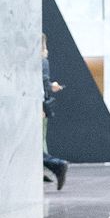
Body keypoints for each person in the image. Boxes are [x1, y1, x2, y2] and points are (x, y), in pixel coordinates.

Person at [41, 35, 68, 188]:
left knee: (38, 142)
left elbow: (42, 84)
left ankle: (55, 165)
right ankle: (48, 168)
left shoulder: (41, 62)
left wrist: (41, 105)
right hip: (39, 106)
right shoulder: (42, 61)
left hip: (38, 107)